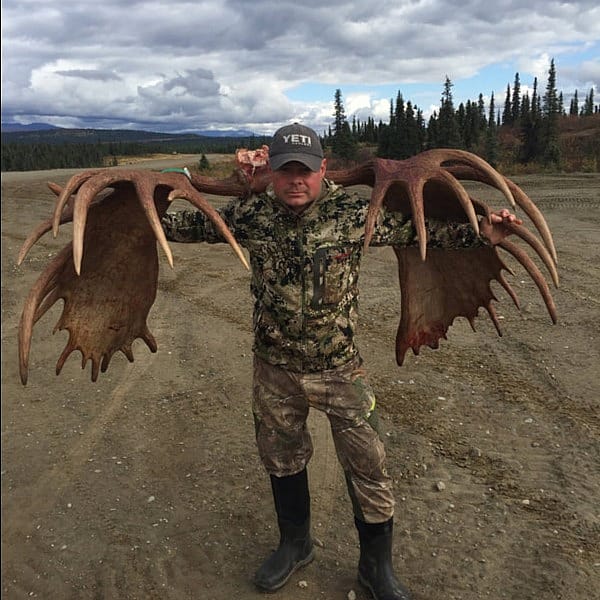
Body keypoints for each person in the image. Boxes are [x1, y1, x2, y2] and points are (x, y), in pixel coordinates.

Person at [162, 123, 520, 600]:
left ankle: (377, 569)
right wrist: (136, 204)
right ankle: (295, 544)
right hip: (275, 369)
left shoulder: (355, 214)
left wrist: (482, 233)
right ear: (271, 173)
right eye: (286, 170)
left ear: (322, 170)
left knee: (369, 464)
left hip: (340, 369)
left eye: (305, 171)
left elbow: (424, 232)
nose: (295, 180)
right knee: (282, 459)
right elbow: (186, 226)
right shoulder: (251, 215)